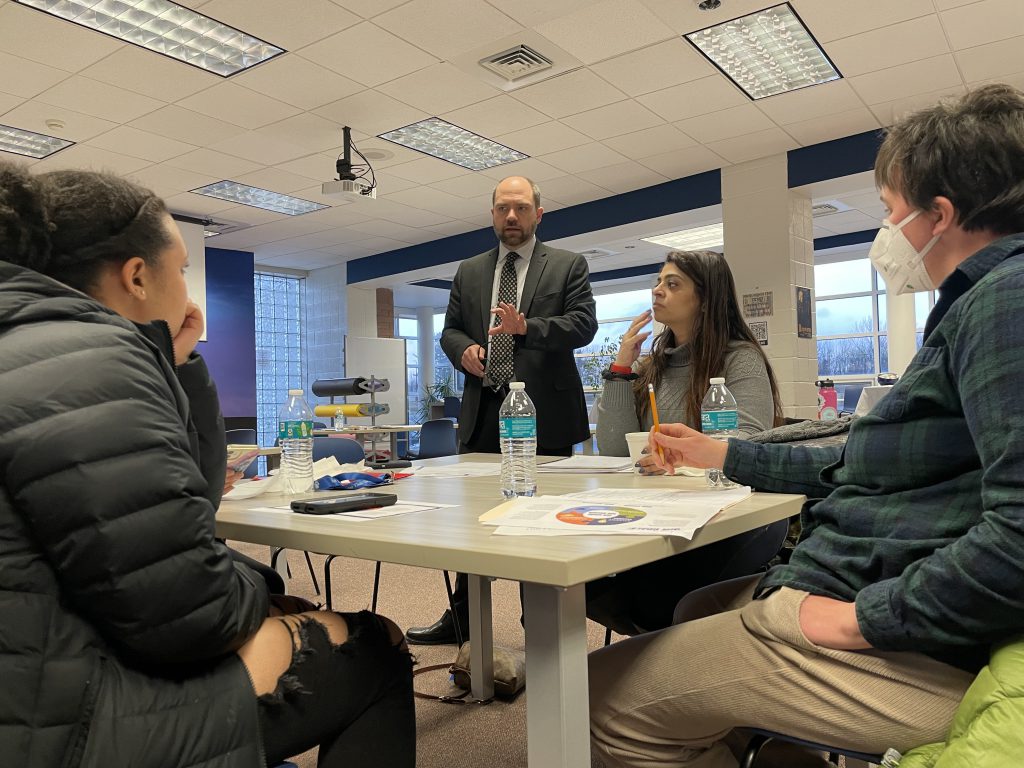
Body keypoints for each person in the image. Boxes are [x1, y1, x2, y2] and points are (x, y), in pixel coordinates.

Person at [588, 83, 1024, 767]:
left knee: (593, 701)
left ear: (940, 215)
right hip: (860, 578)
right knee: (694, 613)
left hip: (905, 630)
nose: (887, 235)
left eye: (888, 212)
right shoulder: (981, 304)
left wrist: (863, 618)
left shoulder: (1007, 301)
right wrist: (725, 454)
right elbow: (857, 461)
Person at [0, 164, 415, 768]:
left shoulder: (35, 342)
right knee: (374, 648)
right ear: (138, 276)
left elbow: (184, 500)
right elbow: (189, 616)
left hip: (40, 674)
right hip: (62, 726)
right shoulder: (87, 357)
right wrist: (263, 586)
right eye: (183, 269)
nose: (187, 288)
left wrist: (178, 363)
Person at [406, 175, 598, 645]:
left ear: (538, 213)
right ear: (492, 213)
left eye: (521, 208)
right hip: (483, 412)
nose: (511, 217)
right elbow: (449, 330)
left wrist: (526, 326)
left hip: (545, 415)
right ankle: (462, 619)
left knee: (544, 522)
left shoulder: (568, 265)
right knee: (473, 525)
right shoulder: (470, 271)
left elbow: (584, 325)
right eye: (502, 209)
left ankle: (542, 622)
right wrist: (464, 350)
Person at [588, 249, 783, 634]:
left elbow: (749, 441)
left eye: (672, 284)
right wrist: (621, 369)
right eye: (658, 282)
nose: (657, 291)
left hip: (729, 520)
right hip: (659, 513)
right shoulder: (654, 364)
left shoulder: (739, 358)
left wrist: (683, 455)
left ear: (706, 298)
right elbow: (612, 448)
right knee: (556, 584)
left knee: (649, 598)